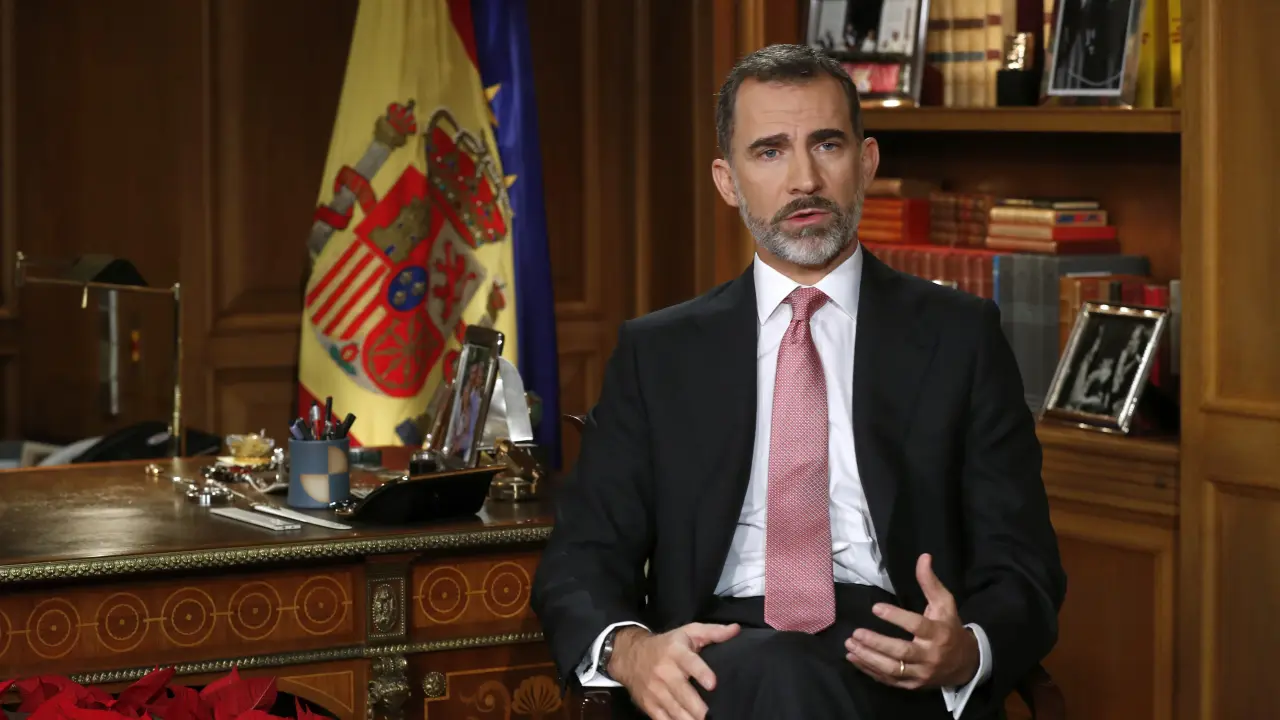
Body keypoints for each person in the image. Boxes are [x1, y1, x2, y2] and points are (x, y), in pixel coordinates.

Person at [531, 44, 1065, 720]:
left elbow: (1024, 565)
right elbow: (580, 559)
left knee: (793, 677)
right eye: (770, 152)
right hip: (717, 657)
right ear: (727, 181)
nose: (804, 179)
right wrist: (631, 652)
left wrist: (966, 650)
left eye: (827, 145)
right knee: (780, 671)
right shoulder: (659, 353)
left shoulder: (961, 338)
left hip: (893, 658)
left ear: (865, 163)